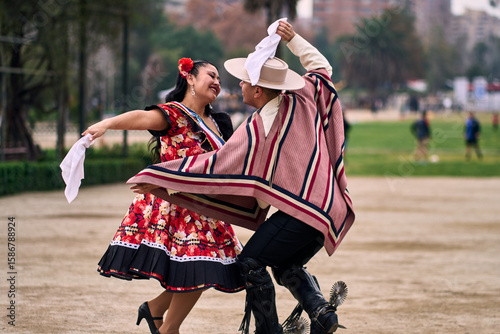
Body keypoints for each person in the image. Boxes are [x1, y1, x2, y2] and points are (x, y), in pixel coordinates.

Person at [128, 21, 355, 334]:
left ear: (258, 91)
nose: (238, 88)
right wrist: (294, 40)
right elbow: (321, 66)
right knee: (285, 264)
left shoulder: (258, 127)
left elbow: (216, 165)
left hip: (305, 211)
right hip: (329, 208)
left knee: (249, 263)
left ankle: (268, 330)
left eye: (244, 83)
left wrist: (160, 177)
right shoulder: (303, 94)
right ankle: (321, 313)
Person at [82, 58, 244, 334]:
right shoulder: (172, 114)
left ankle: (156, 310)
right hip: (177, 206)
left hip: (207, 208)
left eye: (219, 79)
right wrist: (106, 124)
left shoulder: (220, 121)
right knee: (200, 268)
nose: (217, 82)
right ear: (190, 78)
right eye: (211, 75)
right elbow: (140, 118)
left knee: (204, 269)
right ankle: (168, 327)